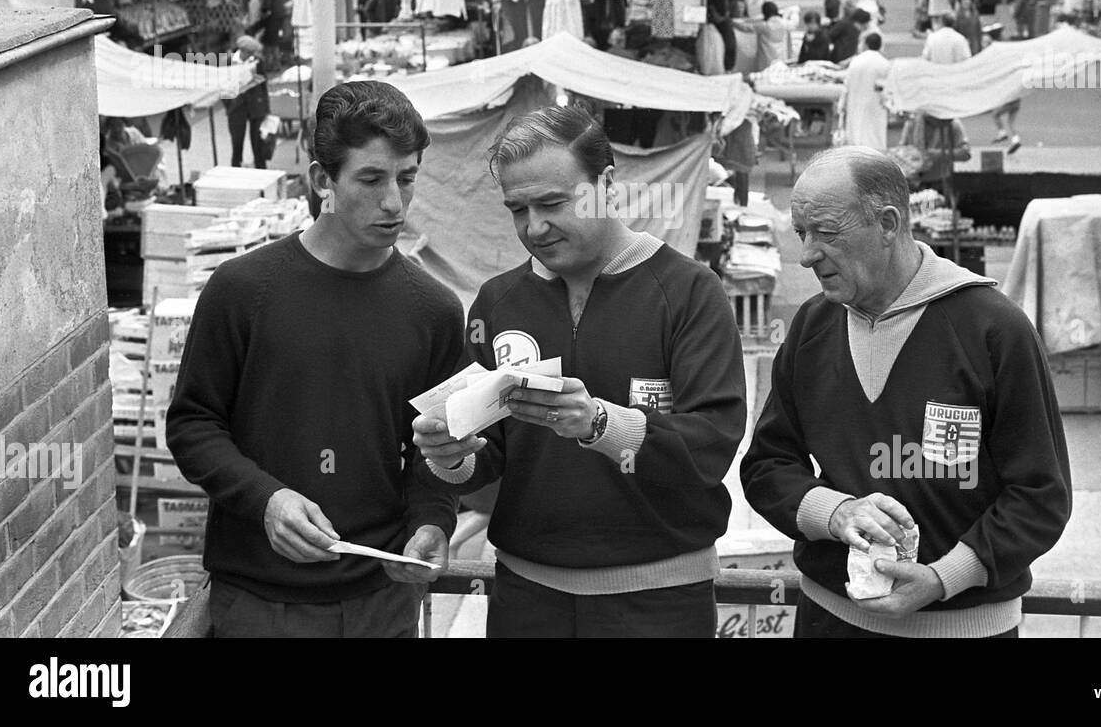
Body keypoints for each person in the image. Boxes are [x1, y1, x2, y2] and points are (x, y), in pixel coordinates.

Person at [411, 106, 747, 637]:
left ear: (605, 184)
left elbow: (713, 444)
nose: (534, 226)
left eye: (551, 203)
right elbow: (488, 455)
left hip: (659, 599)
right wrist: (450, 457)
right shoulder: (499, 302)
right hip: (526, 596)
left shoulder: (689, 293)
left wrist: (600, 424)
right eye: (517, 209)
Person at [166, 82, 463, 637]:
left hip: (382, 602)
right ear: (322, 180)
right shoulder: (241, 291)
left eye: (407, 177)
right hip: (258, 603)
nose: (394, 202)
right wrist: (266, 500)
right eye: (371, 179)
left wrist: (432, 520)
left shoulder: (435, 311)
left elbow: (439, 449)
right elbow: (192, 426)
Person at [741, 147, 1072, 637]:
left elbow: (1040, 495)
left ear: (889, 223)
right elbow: (768, 466)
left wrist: (944, 578)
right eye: (802, 233)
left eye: (827, 233)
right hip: (829, 619)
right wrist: (834, 513)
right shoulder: (813, 325)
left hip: (964, 628)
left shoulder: (993, 328)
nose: (807, 254)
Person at [837, 32, 891, 151]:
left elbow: (847, 86)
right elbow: (885, 89)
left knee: (856, 134)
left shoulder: (856, 61)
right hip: (875, 105)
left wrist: (842, 104)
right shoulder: (884, 63)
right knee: (874, 137)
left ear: (865, 44)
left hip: (855, 103)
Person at [223, 36, 271, 169]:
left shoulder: (258, 62)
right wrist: (229, 105)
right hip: (236, 108)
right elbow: (223, 87)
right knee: (237, 142)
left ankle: (261, 168)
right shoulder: (228, 62)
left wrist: (266, 109)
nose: (251, 55)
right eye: (249, 53)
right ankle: (236, 169)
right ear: (242, 51)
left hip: (256, 107)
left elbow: (263, 85)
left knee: (257, 143)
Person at [735, 1, 793, 71]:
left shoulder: (764, 26)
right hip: (780, 60)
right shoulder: (785, 24)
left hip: (766, 61)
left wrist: (732, 23)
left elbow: (745, 28)